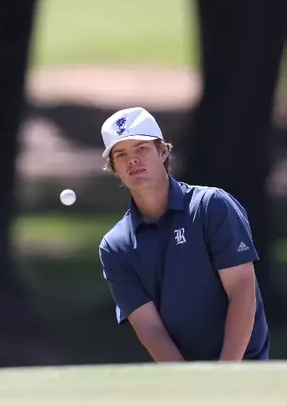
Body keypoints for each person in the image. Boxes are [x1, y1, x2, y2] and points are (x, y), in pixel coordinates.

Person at [96, 106, 271, 362]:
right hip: (184, 380)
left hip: (244, 368)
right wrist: (188, 382)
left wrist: (226, 372)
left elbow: (241, 290)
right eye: (121, 154)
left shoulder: (211, 206)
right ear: (114, 168)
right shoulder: (115, 246)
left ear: (163, 151)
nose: (132, 160)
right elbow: (150, 328)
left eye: (141, 148)